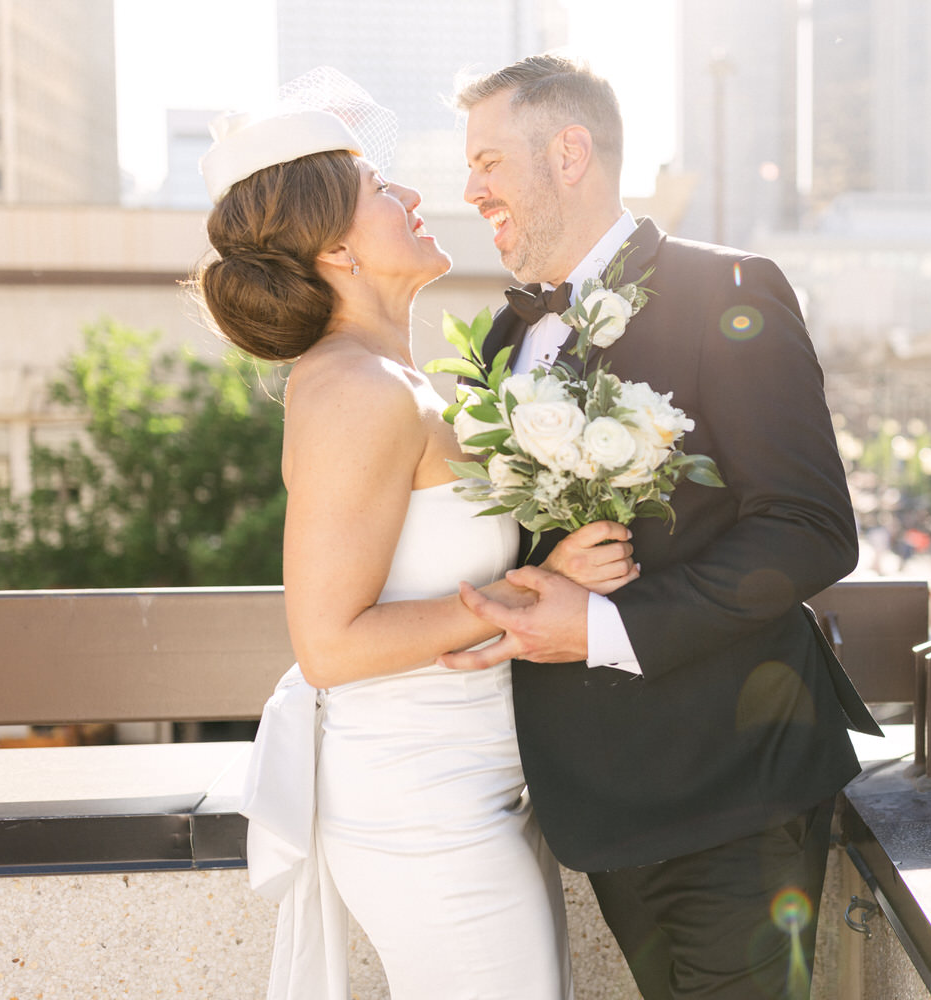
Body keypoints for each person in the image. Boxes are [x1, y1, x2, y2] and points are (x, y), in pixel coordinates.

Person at [438, 54, 881, 1000]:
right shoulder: (503, 341)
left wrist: (602, 626)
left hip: (735, 790)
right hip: (597, 805)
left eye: (487, 163)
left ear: (569, 152)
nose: (470, 190)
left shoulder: (730, 289)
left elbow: (810, 527)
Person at [195, 91, 635, 999]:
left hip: (478, 789)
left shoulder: (395, 379)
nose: (411, 193)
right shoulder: (354, 390)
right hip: (424, 814)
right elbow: (329, 645)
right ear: (338, 252)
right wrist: (530, 590)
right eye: (377, 186)